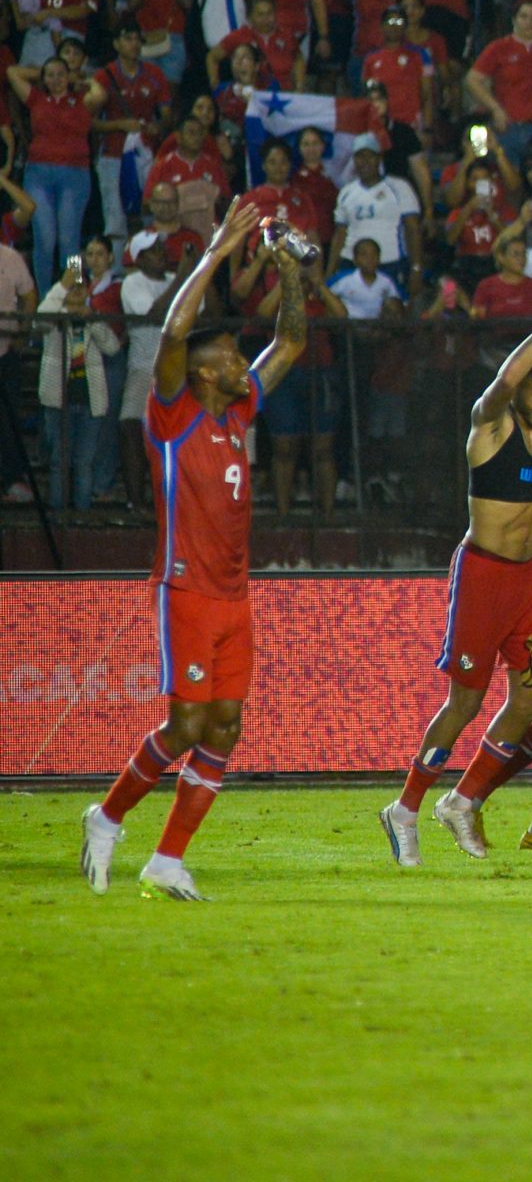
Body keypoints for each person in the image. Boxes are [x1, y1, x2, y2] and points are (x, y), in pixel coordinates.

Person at [81, 203, 306, 901]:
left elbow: (292, 340)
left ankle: (168, 859)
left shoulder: (238, 410)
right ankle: (108, 815)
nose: (245, 365)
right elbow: (175, 329)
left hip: (235, 593)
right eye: (233, 359)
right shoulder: (173, 415)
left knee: (227, 724)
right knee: (185, 724)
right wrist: (214, 251)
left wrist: (288, 270)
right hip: (184, 589)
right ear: (204, 373)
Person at [379, 270, 532, 865]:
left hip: (528, 579)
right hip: (481, 574)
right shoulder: (491, 423)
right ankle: (404, 809)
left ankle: (461, 801)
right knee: (465, 701)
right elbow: (506, 379)